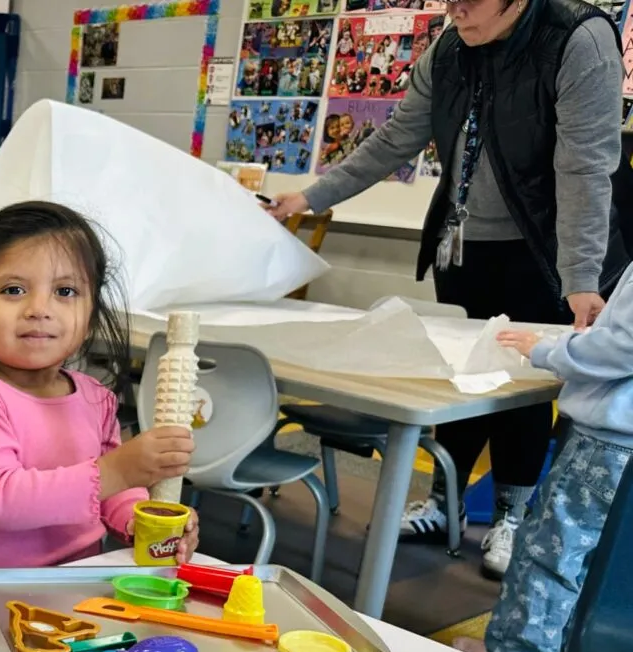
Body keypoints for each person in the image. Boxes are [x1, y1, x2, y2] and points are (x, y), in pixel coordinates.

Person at [264, 0, 627, 578]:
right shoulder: (451, 46)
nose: (455, 10)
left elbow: (585, 167)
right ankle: (444, 500)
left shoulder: (576, 39)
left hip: (545, 249)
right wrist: (310, 197)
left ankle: (512, 514)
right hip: (463, 244)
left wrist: (581, 276)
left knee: (521, 385)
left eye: (470, 0)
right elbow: (395, 138)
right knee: (459, 374)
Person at [0, 201, 201, 597]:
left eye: (65, 291)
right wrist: (118, 471)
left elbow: (112, 493)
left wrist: (141, 521)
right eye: (13, 290)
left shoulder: (95, 398)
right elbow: (0, 502)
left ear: (90, 317)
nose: (39, 309)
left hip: (77, 593)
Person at [450, 263, 633, 652]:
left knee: (550, 556)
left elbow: (623, 347)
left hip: (607, 444)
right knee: (599, 564)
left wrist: (549, 350)